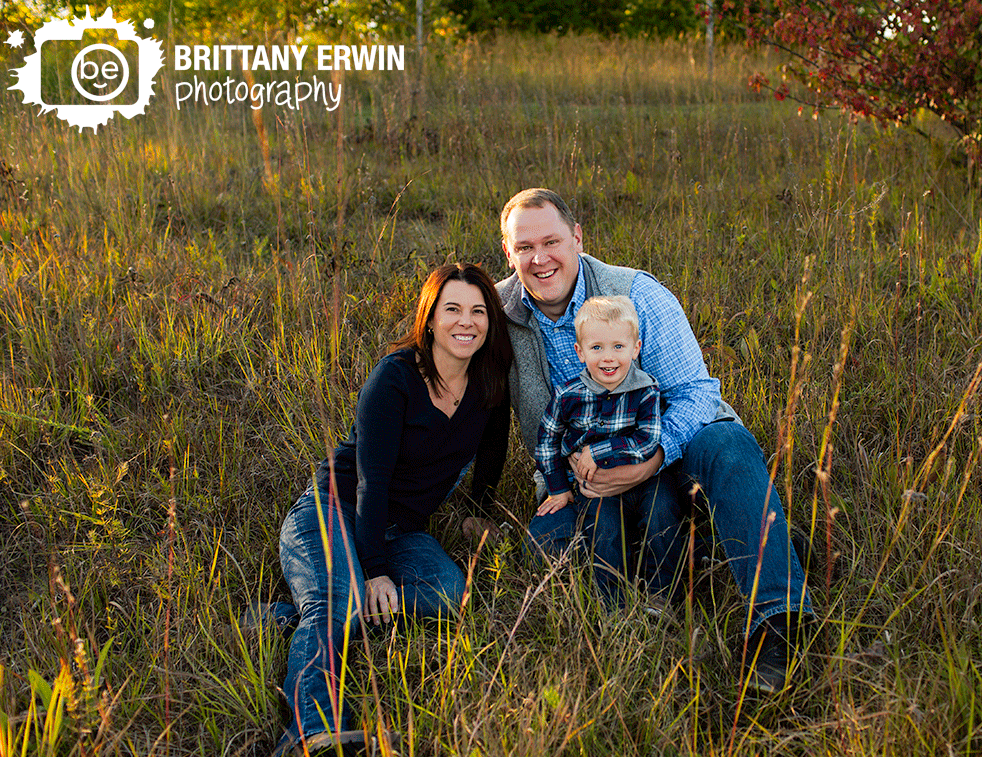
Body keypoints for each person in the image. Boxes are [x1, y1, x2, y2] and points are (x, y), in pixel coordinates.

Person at [495, 188, 813, 692]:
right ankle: (726, 547)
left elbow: (696, 392)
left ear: (577, 237)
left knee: (728, 446)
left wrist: (653, 457)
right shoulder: (496, 313)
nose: (540, 259)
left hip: (669, 449)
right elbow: (461, 406)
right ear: (508, 252)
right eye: (524, 247)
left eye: (551, 241)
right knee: (547, 552)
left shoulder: (636, 294)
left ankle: (779, 622)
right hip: (583, 477)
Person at [272, 263, 512, 756]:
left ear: (490, 321)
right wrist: (377, 571)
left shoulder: (489, 382)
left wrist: (478, 509)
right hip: (333, 511)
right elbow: (371, 482)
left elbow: (493, 452)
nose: (465, 322)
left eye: (477, 311)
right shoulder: (396, 377)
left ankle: (284, 616)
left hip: (403, 528)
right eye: (452, 309)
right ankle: (310, 733)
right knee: (338, 604)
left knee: (448, 595)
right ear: (429, 318)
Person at [534, 295, 683, 608]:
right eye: (596, 348)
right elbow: (547, 441)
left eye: (618, 346)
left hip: (646, 479)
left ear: (636, 348)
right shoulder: (568, 395)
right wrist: (559, 489)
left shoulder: (646, 389)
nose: (608, 358)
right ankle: (612, 607)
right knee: (605, 530)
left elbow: (647, 439)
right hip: (595, 488)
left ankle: (661, 597)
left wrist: (599, 451)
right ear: (580, 352)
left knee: (663, 514)